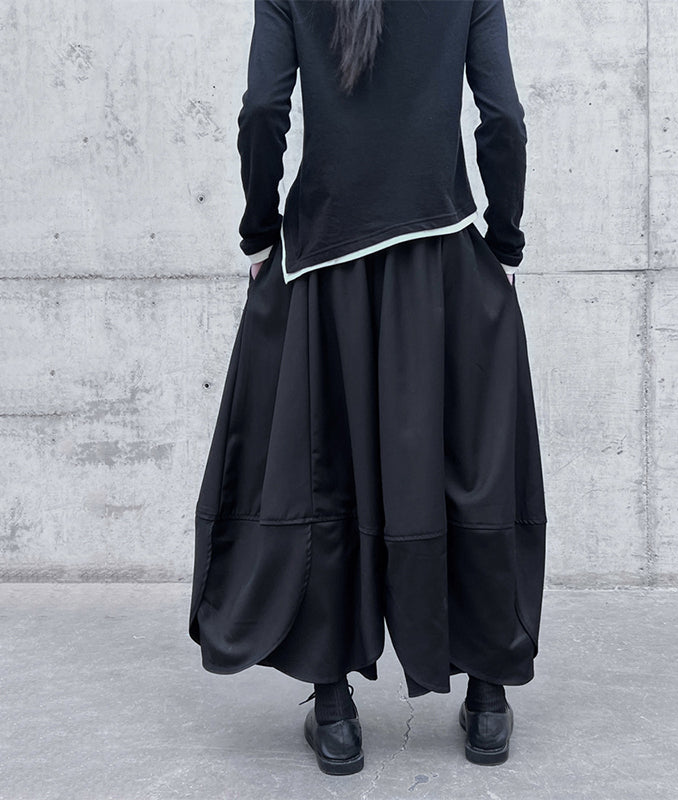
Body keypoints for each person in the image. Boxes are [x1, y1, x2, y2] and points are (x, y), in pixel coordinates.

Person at [188, 0, 547, 775]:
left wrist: (260, 232)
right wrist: (505, 240)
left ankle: (335, 712)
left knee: (326, 471)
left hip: (323, 259)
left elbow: (262, 111)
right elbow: (504, 118)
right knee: (465, 464)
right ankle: (487, 700)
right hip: (442, 254)